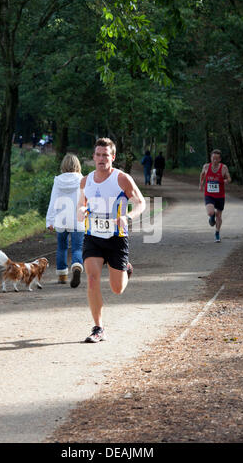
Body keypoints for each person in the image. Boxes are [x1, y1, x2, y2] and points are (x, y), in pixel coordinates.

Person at [77, 137, 146, 343]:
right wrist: (81, 209)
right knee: (91, 278)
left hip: (116, 239)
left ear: (112, 157)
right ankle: (98, 328)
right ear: (93, 157)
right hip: (93, 237)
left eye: (105, 155)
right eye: (98, 155)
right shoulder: (85, 180)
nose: (101, 159)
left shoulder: (121, 179)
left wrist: (128, 217)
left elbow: (140, 203)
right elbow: (82, 204)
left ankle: (126, 268)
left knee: (117, 289)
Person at [46, 153, 85, 287]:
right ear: (77, 165)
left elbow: (53, 200)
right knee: (77, 248)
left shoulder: (58, 180)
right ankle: (77, 265)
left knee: (61, 247)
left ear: (63, 165)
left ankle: (62, 275)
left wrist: (49, 221)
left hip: (61, 219)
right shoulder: (82, 179)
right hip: (77, 219)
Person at [199, 149, 231, 243]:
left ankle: (217, 233)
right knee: (210, 212)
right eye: (213, 158)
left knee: (219, 215)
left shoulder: (224, 168)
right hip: (209, 194)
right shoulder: (206, 166)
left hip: (220, 195)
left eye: (217, 159)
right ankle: (211, 217)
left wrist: (226, 181)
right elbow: (202, 174)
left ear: (220, 159)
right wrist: (201, 183)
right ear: (211, 158)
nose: (215, 161)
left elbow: (229, 178)